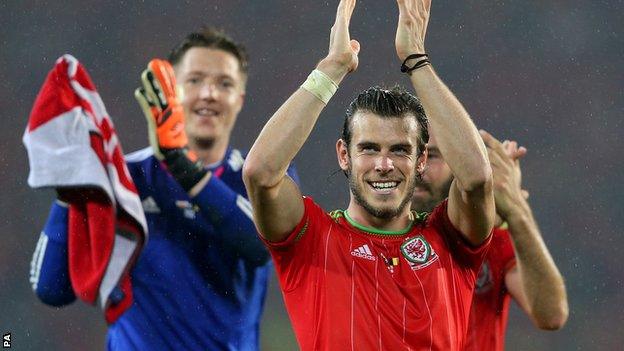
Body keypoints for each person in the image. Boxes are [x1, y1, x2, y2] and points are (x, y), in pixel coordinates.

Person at [243, 0, 495, 349]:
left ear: (421, 160)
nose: (384, 164)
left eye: (400, 150)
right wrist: (330, 70)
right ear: (344, 155)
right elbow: (260, 173)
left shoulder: (449, 241)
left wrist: (416, 61)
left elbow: (477, 179)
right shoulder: (311, 240)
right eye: (369, 148)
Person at [29, 27, 298, 350]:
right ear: (171, 90)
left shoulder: (261, 176)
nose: (209, 93)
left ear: (239, 99)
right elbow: (52, 289)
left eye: (224, 84)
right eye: (194, 80)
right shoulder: (125, 179)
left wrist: (180, 164)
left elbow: (261, 246)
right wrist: (68, 189)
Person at [412, 131, 568, 350]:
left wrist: (516, 211)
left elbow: (551, 315)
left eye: (434, 156)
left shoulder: (494, 241)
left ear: (459, 167)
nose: (419, 168)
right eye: (410, 153)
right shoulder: (368, 239)